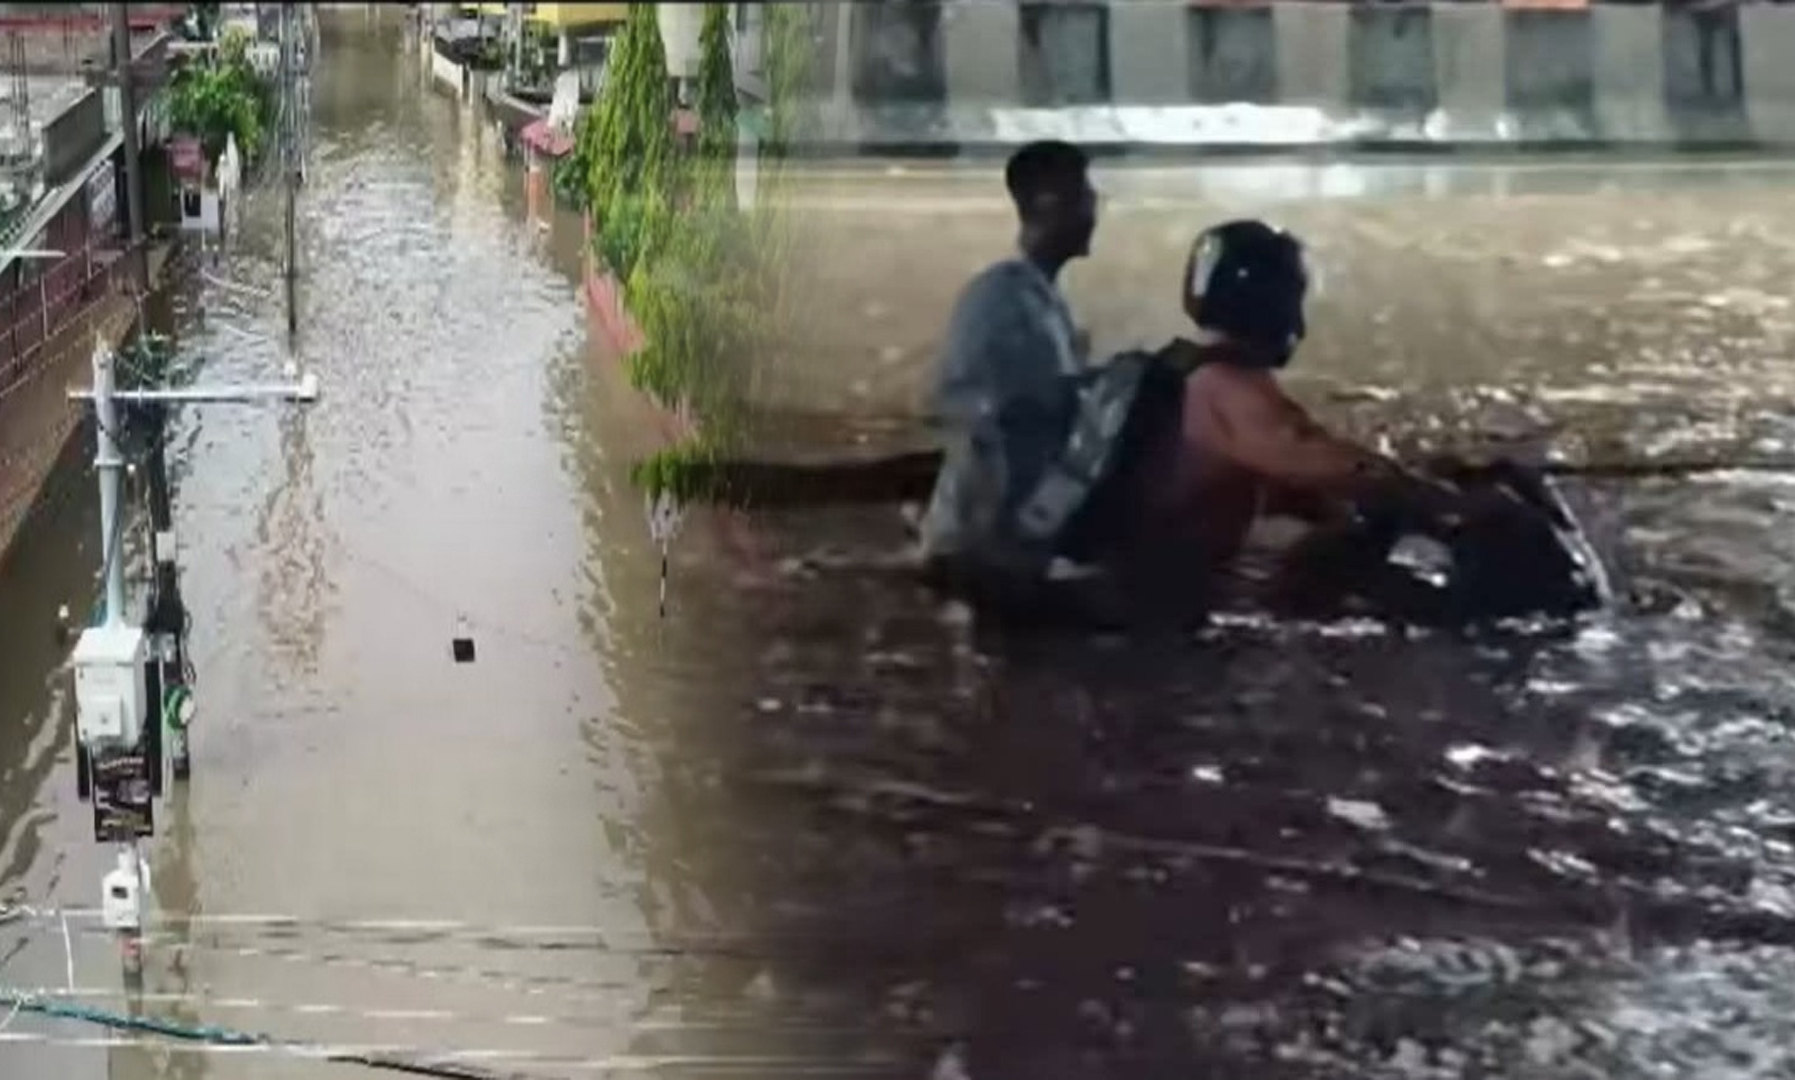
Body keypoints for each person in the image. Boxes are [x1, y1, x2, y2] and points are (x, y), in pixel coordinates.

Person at [1100, 218, 1516, 617]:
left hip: (1151, 580)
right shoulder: (1225, 387)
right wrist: (1446, 501)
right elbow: (1331, 464)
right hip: (1152, 600)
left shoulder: (1185, 370)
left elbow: (1282, 484)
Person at [915, 140, 1116, 613]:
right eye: (1085, 194)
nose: (1095, 208)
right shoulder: (1000, 298)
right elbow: (953, 400)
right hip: (980, 545)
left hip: (1008, 542)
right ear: (1049, 203)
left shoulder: (1043, 302)